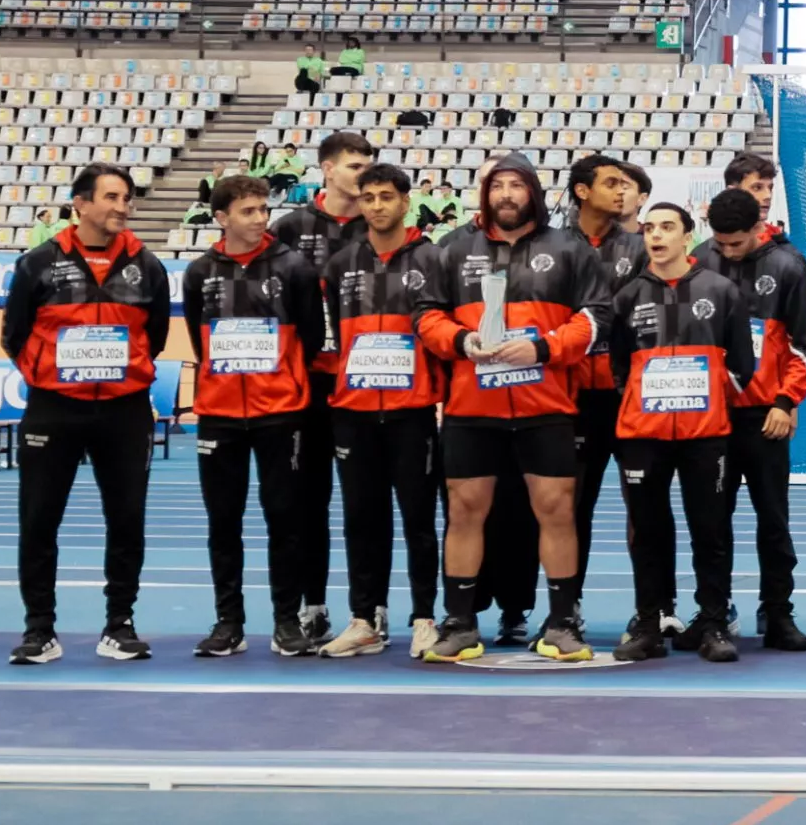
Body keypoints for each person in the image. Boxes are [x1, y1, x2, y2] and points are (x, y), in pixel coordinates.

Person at [417, 151, 601, 662]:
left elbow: (596, 319)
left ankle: (562, 623)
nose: (506, 195)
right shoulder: (452, 249)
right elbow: (426, 317)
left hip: (546, 407)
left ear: (533, 193)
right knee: (464, 511)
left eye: (516, 185)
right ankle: (459, 624)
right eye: (497, 185)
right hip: (472, 408)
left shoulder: (570, 249)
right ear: (484, 194)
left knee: (557, 510)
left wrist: (543, 348)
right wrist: (460, 341)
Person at [0, 160, 173, 663]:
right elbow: (14, 334)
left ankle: (120, 624)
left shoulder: (149, 265)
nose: (122, 207)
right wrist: (52, 375)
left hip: (124, 411)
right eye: (112, 197)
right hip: (54, 410)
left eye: (127, 198)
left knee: (126, 519)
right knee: (38, 520)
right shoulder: (37, 264)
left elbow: (154, 336)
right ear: (81, 203)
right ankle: (39, 630)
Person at [180, 172, 330, 658]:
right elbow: (196, 338)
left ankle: (286, 622)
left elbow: (309, 337)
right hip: (219, 415)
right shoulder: (200, 271)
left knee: (284, 519)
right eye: (248, 211)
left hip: (280, 414)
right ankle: (229, 622)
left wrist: (284, 384)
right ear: (221, 218)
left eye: (263, 209)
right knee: (222, 522)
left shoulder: (294, 268)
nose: (260, 218)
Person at [603, 201, 755, 662]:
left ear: (688, 236)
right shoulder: (627, 296)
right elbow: (617, 369)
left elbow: (742, 365)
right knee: (646, 530)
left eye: (668, 227)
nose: (656, 235)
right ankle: (649, 623)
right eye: (649, 228)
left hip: (705, 435)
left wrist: (703, 395)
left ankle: (712, 624)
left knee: (710, 529)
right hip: (642, 436)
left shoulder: (721, 290)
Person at [318, 159, 445, 656]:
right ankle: (365, 617)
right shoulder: (340, 263)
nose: (376, 206)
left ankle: (424, 617)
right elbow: (328, 334)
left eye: (386, 197)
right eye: (368, 198)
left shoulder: (433, 259)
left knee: (418, 518)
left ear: (405, 201)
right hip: (353, 411)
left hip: (413, 412)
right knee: (360, 518)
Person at [713, 154, 806, 646]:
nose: (766, 195)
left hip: (766, 417)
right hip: (710, 421)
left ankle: (778, 612)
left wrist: (785, 402)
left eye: (769, 188)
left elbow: (803, 346)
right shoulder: (700, 262)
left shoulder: (788, 264)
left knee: (773, 520)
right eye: (757, 186)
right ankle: (714, 614)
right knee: (713, 523)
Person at [557, 155, 650, 590]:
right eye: (611, 183)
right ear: (581, 192)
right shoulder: (551, 247)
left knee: (644, 504)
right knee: (572, 508)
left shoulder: (640, 248)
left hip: (629, 395)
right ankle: (566, 609)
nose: (622, 191)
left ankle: (655, 610)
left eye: (625, 184)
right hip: (571, 398)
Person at [272, 130, 375, 256]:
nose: (365, 174)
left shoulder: (380, 225)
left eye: (368, 168)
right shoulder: (288, 227)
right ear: (328, 170)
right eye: (355, 167)